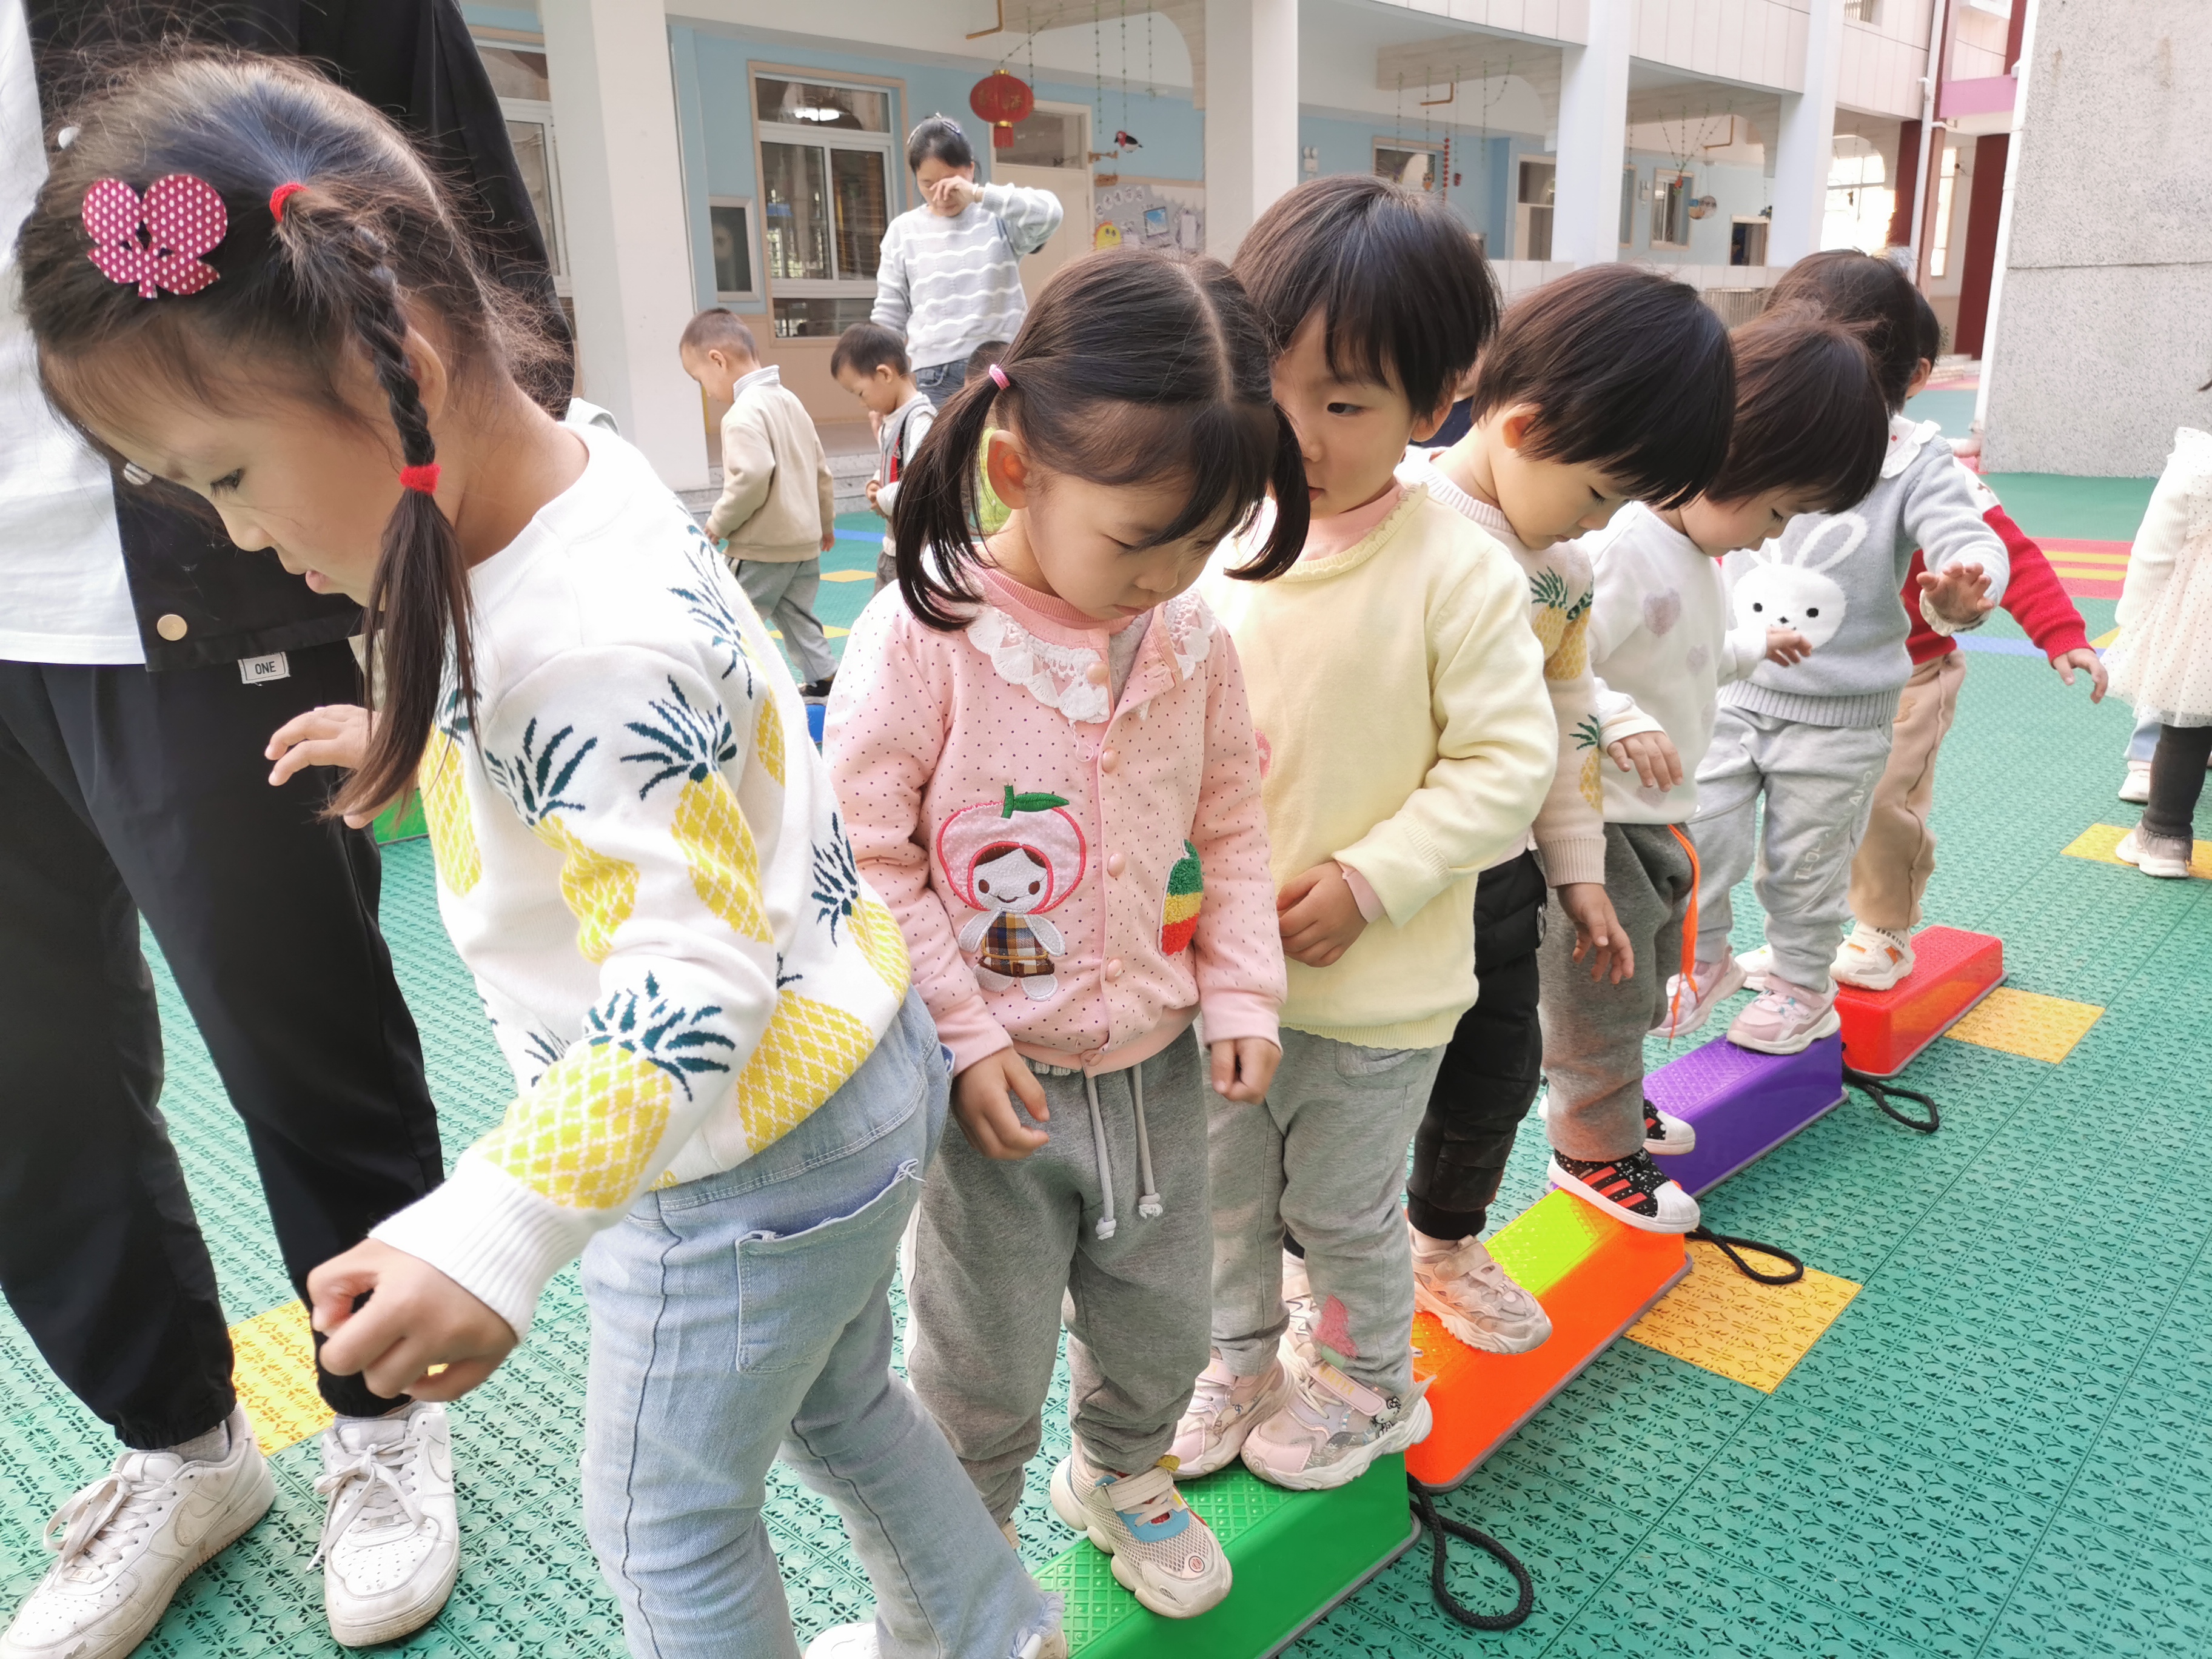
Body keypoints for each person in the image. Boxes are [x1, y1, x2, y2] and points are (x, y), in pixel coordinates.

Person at [18, 53, 1057, 1659]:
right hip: (855, 1058)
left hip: (735, 1157)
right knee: (845, 1406)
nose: (233, 533)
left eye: (226, 474)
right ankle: (989, 1629)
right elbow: (597, 724)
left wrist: (492, 1224)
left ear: (397, 370)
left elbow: (687, 976)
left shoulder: (576, 653)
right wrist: (407, 730)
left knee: (663, 1519)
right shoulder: (583, 466)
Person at [0, 3, 561, 1654]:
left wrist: (446, 622)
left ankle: (380, 1415)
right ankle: (175, 1441)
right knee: (25, 1084)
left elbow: (474, 262)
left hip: (218, 606)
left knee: (298, 1024)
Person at [826, 248, 1297, 1619]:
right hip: (994, 1093)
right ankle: (965, 1548)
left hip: (1156, 1067)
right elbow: (867, 855)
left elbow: (1233, 821)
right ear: (1017, 467)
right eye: (1141, 538)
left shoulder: (1190, 640)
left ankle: (1123, 1469)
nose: (1171, 575)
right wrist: (966, 1039)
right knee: (979, 1353)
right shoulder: (929, 634)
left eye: (1203, 542)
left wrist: (1243, 991)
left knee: (1161, 1320)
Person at [1184, 176, 1557, 1490]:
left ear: (1434, 404)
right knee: (1223, 1199)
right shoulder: (1216, 543)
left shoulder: (1456, 568)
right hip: (1220, 977)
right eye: (1270, 392)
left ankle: (1367, 1386)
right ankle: (1239, 1361)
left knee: (1339, 1211)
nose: (1298, 436)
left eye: (1343, 405)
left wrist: (1369, 877)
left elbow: (1508, 763)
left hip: (1377, 993)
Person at [1395, 261, 1735, 1338]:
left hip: (1501, 881)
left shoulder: (1566, 572)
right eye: (1600, 493)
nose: (1602, 522)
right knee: (1361, 1095)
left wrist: (1579, 874)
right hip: (1384, 882)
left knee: (1494, 1078)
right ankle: (1309, 1277)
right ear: (1525, 429)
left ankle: (1442, 1247)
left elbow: (1566, 718)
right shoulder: (1396, 515)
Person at [1540, 316, 1889, 1230]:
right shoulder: (1623, 547)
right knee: (1602, 999)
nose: (1778, 532)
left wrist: (1751, 646)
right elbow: (1558, 662)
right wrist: (1617, 718)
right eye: (1776, 509)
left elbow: (1687, 655)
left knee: (1648, 981)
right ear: (1718, 456)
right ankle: (1590, 1147)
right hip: (1599, 822)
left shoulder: (1698, 552)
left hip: (1655, 815)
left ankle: (1613, 1104)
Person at [1671, 252, 2009, 1054]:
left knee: (1806, 861)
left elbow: (1970, 537)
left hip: (1842, 713)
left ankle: (1800, 987)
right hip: (1732, 681)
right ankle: (1706, 957)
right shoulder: (1748, 423)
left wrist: (1964, 587)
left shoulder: (1911, 461)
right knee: (1700, 831)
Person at [1823, 287, 2103, 987]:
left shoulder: (1929, 466)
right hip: (1810, 675)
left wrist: (2061, 632)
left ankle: (1885, 928)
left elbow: (2011, 553)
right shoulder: (1787, 449)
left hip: (1910, 676)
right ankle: (1803, 933)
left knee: (1883, 802)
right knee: (1802, 802)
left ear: (1915, 377)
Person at [681, 307, 839, 697]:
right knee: (797, 615)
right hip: (803, 546)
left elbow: (751, 476)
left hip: (761, 549)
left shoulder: (741, 414)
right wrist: (825, 524)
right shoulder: (792, 402)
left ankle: (726, 690)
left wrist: (718, 522)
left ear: (718, 361)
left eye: (701, 380)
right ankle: (825, 679)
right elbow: (821, 470)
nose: (707, 392)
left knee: (729, 614)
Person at [870, 115, 1062, 409]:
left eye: (950, 183)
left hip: (1000, 365)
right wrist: (880, 391)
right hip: (934, 376)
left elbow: (1050, 213)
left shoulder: (997, 219)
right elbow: (889, 316)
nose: (941, 195)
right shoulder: (903, 231)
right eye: (927, 184)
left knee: (1001, 440)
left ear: (970, 170)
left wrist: (978, 194)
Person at [2109, 426, 2212, 877]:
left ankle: (2164, 836)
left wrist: (2132, 620)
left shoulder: (2198, 463)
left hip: (2203, 628)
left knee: (2187, 731)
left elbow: (2153, 553)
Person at [831, 320, 934, 592]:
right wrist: (876, 483)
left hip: (918, 557)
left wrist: (883, 497)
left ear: (885, 374)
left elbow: (921, 488)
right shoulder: (893, 418)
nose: (862, 403)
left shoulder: (920, 420)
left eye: (861, 393)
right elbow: (893, 466)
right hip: (894, 548)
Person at [964, 338, 1013, 536]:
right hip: (990, 532)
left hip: (1014, 533)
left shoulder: (1020, 435)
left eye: (972, 397)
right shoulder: (980, 437)